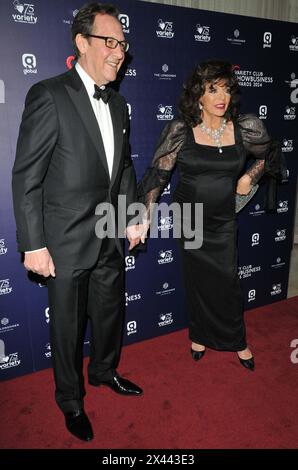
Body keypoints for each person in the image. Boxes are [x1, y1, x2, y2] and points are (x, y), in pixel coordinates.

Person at [12, 3, 143, 442]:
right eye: (109, 41)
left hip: (109, 235)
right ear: (81, 42)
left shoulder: (121, 105)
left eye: (122, 43)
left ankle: (105, 372)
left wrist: (132, 216)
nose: (118, 51)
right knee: (66, 329)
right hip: (64, 242)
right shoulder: (49, 94)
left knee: (109, 315)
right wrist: (33, 243)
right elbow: (27, 176)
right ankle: (70, 400)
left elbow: (123, 169)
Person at [138, 59, 285, 372]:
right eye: (213, 89)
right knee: (197, 281)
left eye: (227, 89)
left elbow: (272, 152)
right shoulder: (180, 130)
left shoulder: (244, 127)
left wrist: (251, 175)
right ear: (198, 96)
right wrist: (143, 216)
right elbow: (157, 176)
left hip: (222, 219)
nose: (222, 96)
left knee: (228, 281)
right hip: (189, 217)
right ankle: (199, 335)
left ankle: (237, 340)